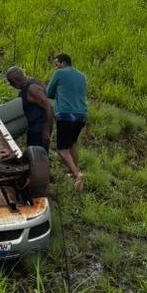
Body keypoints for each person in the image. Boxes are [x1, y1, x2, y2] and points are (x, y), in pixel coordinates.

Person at [46, 53, 87, 191]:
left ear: (63, 63)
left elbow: (48, 93)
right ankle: (74, 171)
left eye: (57, 64)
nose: (56, 67)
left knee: (62, 149)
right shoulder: (81, 76)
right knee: (72, 144)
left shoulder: (59, 74)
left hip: (65, 115)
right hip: (81, 116)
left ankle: (77, 174)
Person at [6, 66, 53, 151]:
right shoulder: (28, 86)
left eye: (11, 82)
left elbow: (49, 106)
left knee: (38, 157)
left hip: (39, 130)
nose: (10, 85)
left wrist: (46, 131)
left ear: (16, 80)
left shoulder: (32, 89)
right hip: (34, 129)